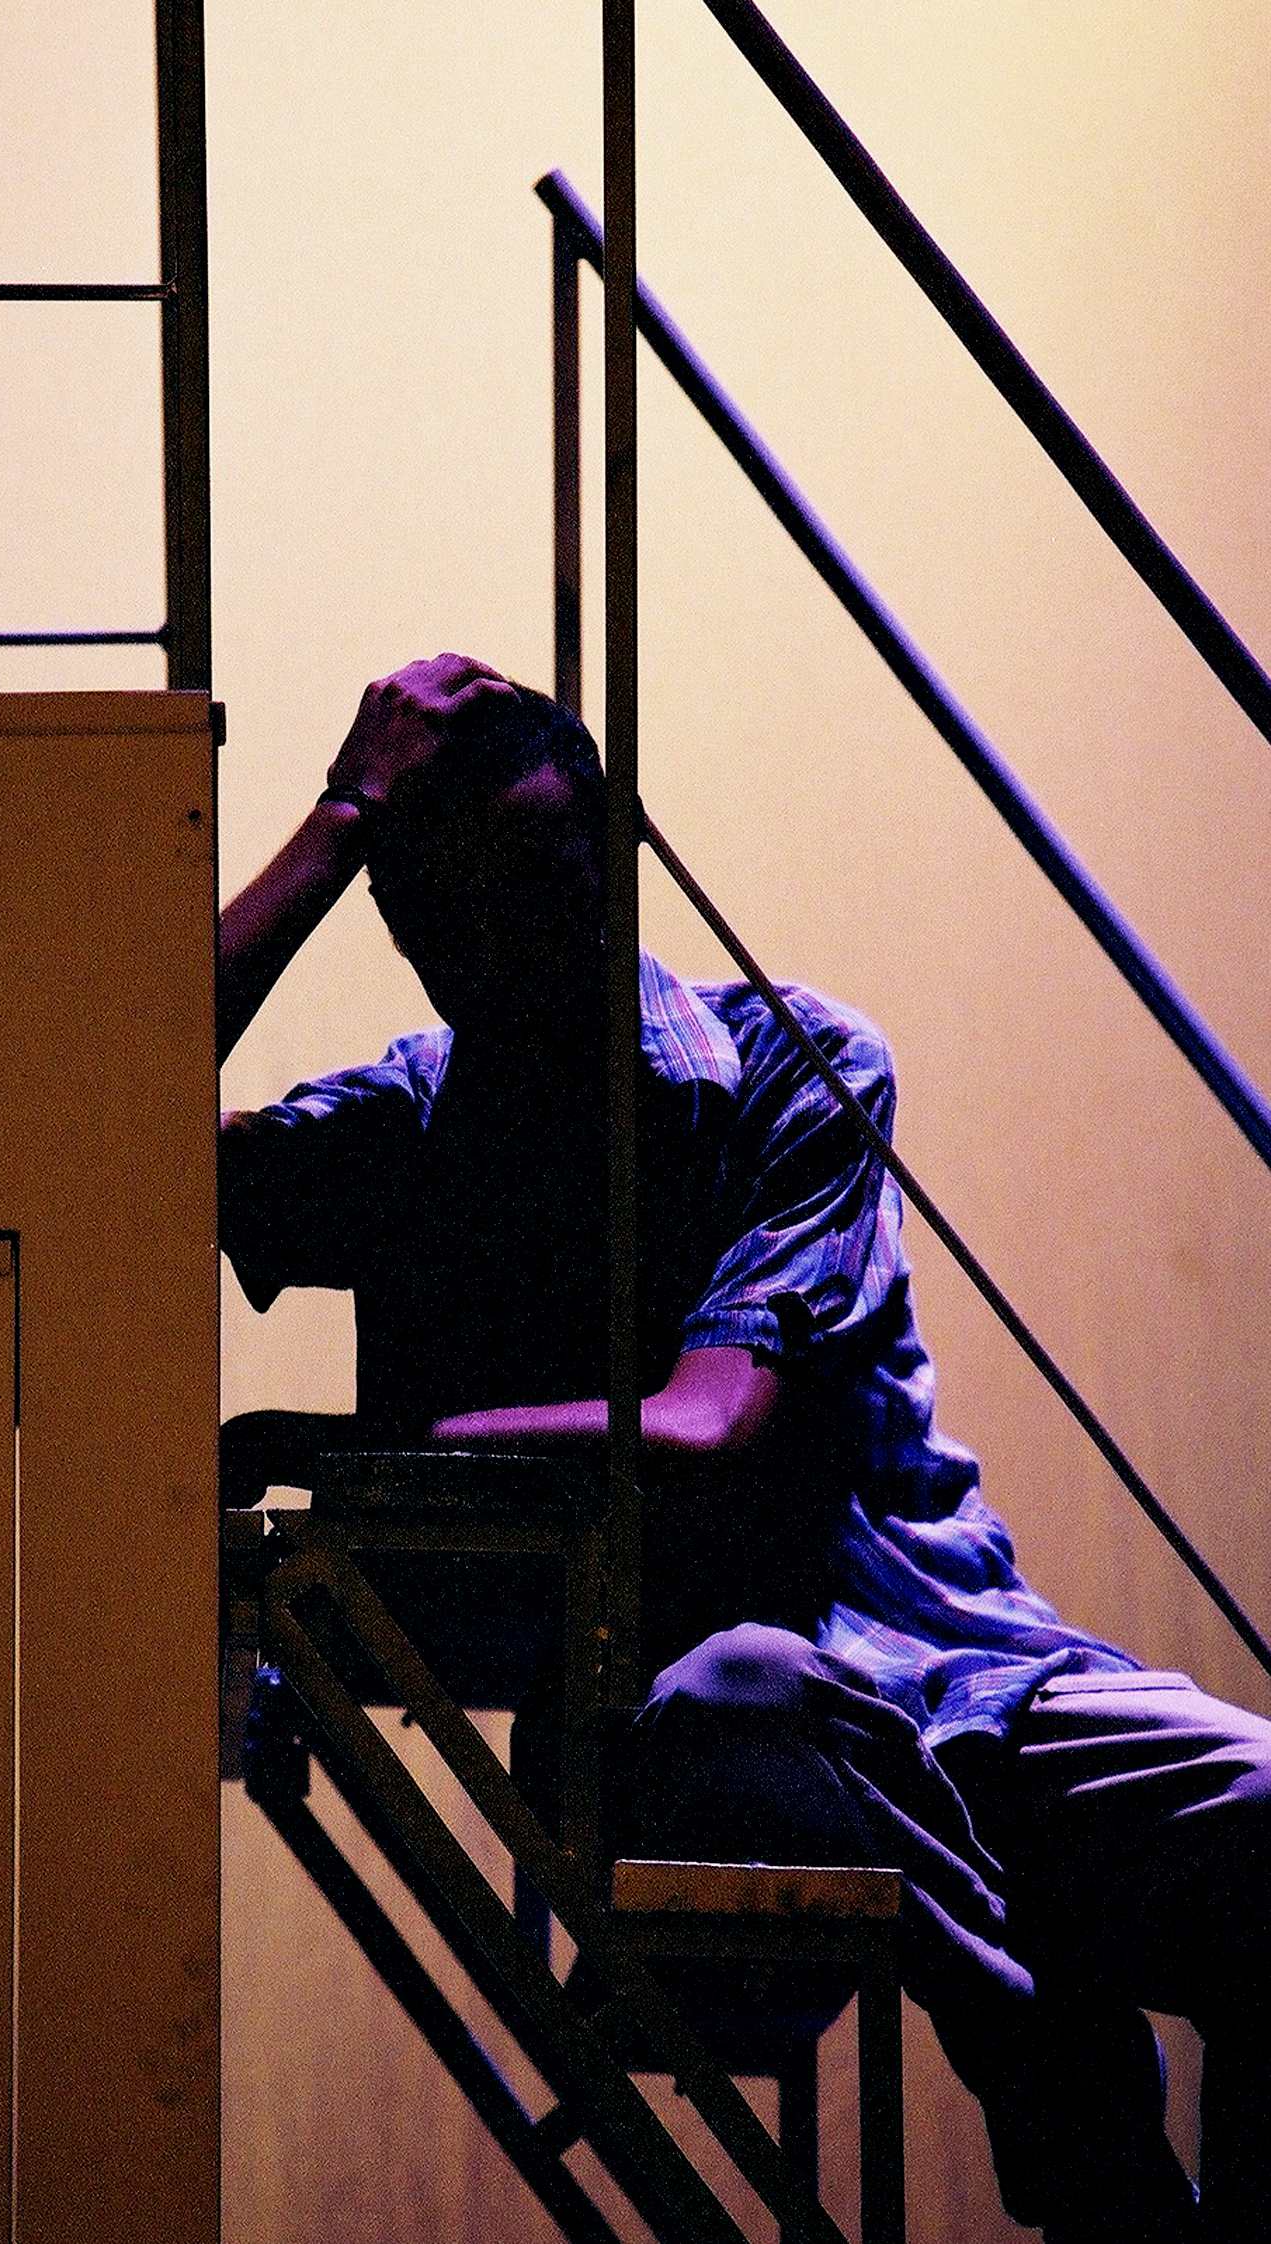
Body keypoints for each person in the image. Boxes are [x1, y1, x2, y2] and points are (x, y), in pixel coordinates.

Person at [218, 653, 1270, 2242]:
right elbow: (102, 1127)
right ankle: (1066, 2089)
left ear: (621, 865)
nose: (526, 949)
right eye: (462, 917)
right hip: (716, 1748)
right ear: (411, 933)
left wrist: (383, 1453)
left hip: (966, 1680)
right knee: (748, 1681)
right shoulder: (411, 1124)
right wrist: (340, 818)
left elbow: (712, 1424)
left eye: (555, 891)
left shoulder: (795, 1061)